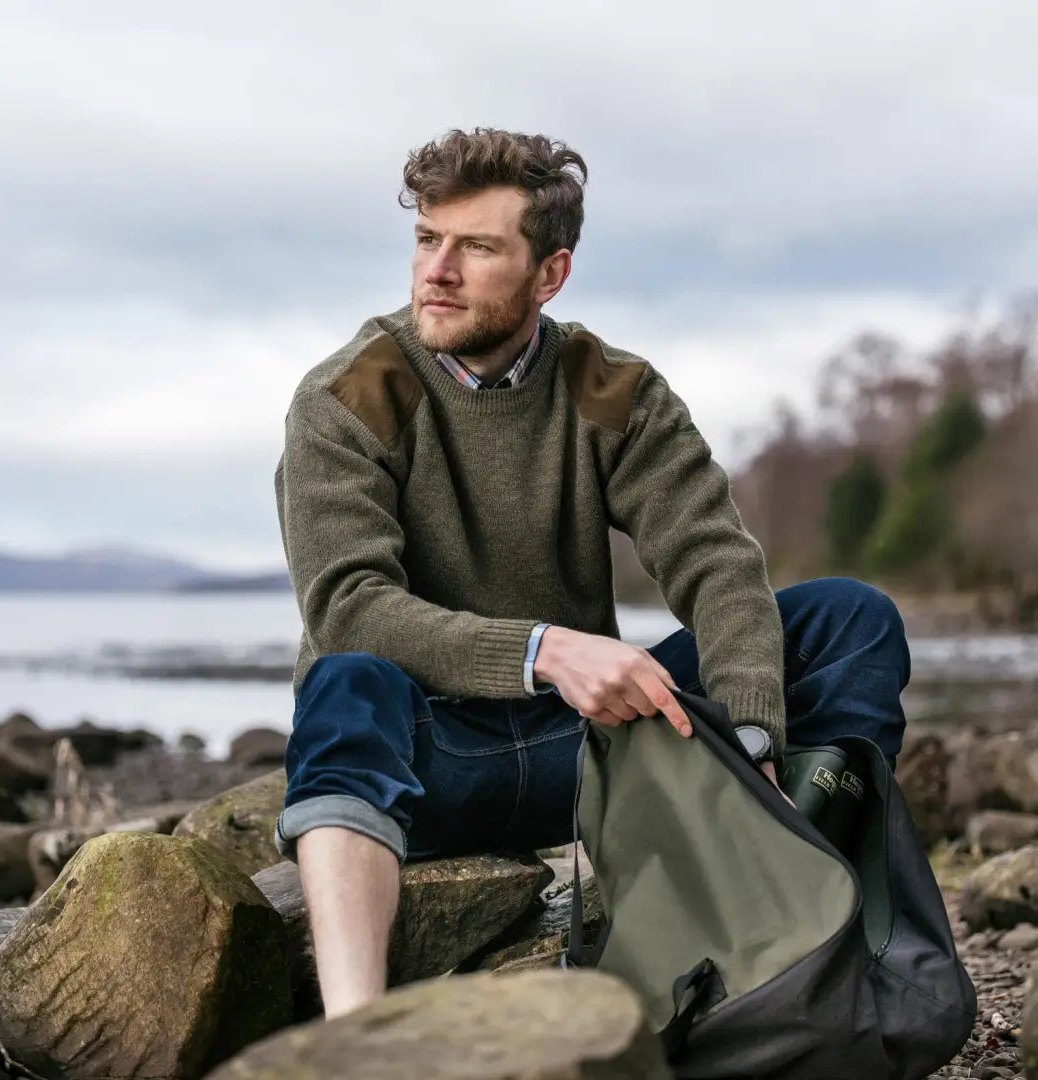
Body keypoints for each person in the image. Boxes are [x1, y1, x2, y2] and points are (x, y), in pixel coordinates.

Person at [273, 128, 911, 1019]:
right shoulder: (349, 395)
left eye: (476, 247)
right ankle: (357, 1038)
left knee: (849, 618)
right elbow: (350, 608)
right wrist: (544, 650)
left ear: (550, 274)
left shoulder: (612, 391)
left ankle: (810, 934)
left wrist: (755, 741)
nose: (437, 271)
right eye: (428, 239)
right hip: (434, 764)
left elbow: (715, 563)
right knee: (344, 683)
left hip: (596, 754)